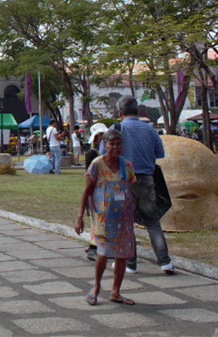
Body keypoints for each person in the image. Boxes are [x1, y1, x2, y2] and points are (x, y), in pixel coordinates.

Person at [75, 129, 136, 306]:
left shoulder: (126, 166)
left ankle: (116, 292)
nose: (115, 147)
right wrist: (80, 217)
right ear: (105, 145)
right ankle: (96, 286)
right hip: (103, 218)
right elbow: (86, 192)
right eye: (112, 144)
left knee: (122, 254)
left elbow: (131, 188)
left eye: (119, 144)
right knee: (103, 252)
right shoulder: (97, 165)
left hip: (123, 219)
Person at [115, 96, 175, 274]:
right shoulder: (150, 130)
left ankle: (130, 263)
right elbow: (160, 153)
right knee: (153, 222)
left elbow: (105, 153)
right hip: (148, 180)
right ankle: (165, 262)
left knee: (127, 223)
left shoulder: (118, 128)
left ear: (120, 112)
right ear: (139, 110)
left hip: (125, 181)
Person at [83, 122, 109, 260]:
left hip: (108, 190)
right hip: (97, 191)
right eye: (101, 135)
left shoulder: (107, 150)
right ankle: (94, 247)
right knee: (97, 220)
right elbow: (90, 175)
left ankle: (98, 247)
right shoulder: (92, 154)